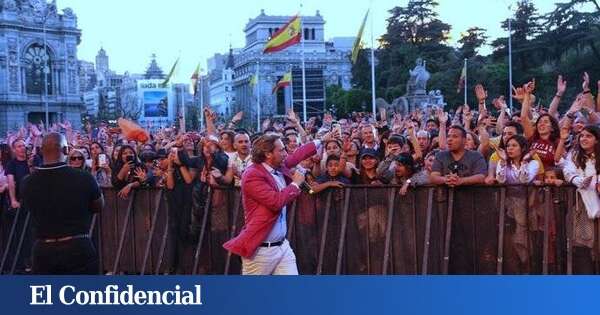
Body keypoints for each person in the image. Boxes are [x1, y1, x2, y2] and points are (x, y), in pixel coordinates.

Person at [223, 133, 329, 275]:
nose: (286, 153)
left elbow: (297, 155)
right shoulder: (252, 175)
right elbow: (275, 202)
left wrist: (321, 140)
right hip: (260, 252)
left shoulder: (278, 166)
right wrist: (295, 184)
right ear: (268, 154)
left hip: (282, 247)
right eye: (281, 150)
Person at [20, 133, 104, 274]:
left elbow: (29, 207)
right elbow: (99, 206)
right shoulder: (84, 178)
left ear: (41, 150)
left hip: (43, 250)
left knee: (45, 295)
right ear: (65, 150)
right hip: (77, 248)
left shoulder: (27, 182)